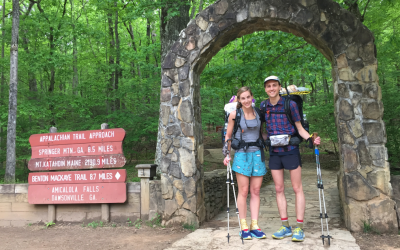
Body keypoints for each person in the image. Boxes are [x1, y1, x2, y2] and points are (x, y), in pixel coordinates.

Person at [261, 76, 321, 242]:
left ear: (279, 87)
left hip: (291, 150)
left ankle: (299, 228)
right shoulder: (263, 106)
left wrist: (311, 138)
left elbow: (299, 128)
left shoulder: (291, 104)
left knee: (297, 188)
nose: (271, 88)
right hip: (274, 152)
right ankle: (285, 226)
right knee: (279, 189)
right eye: (268, 86)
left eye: (274, 85)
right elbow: (263, 130)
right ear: (265, 89)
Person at [222, 86, 267, 240]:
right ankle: (244, 226)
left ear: (251, 97)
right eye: (243, 98)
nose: (246, 100)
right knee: (243, 191)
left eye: (248, 97)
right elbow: (228, 136)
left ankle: (255, 225)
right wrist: (226, 154)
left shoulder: (259, 114)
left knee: (255, 191)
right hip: (241, 154)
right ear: (239, 100)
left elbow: (263, 133)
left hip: (257, 154)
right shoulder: (235, 115)